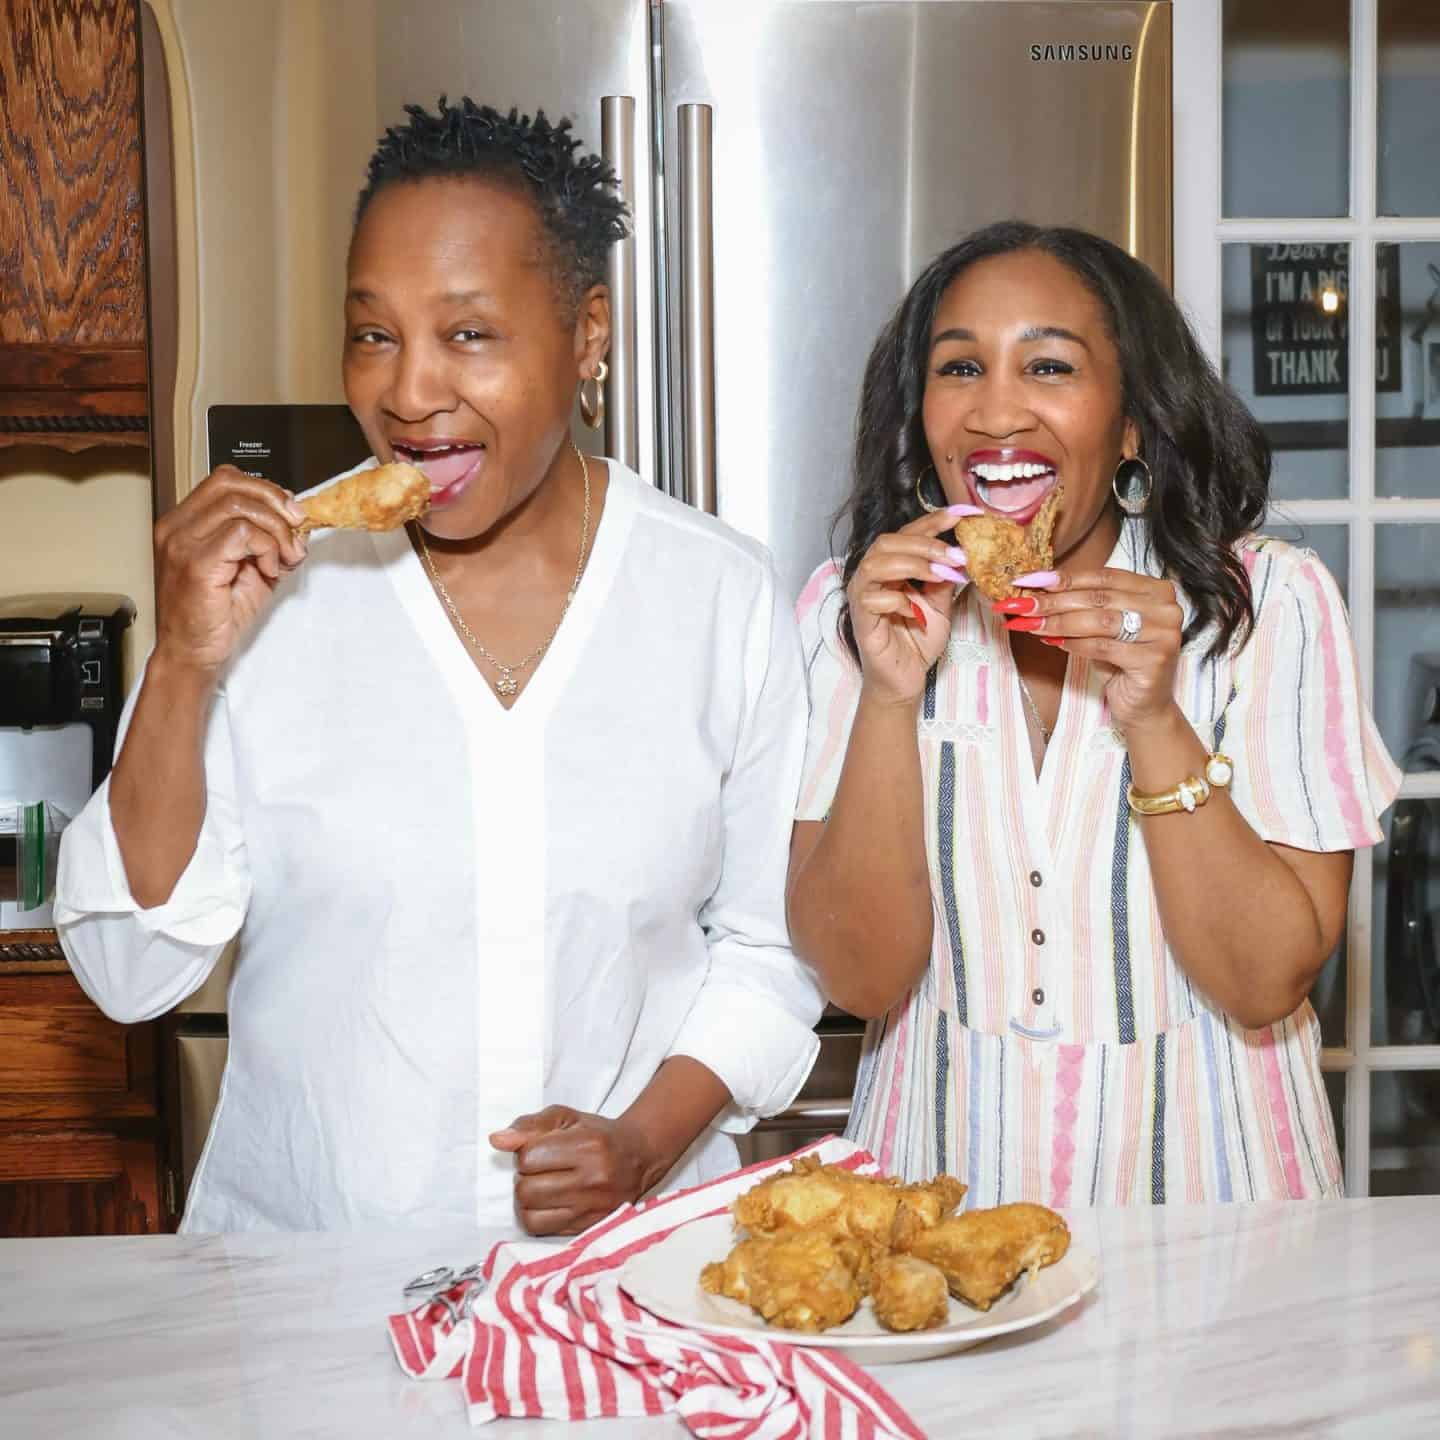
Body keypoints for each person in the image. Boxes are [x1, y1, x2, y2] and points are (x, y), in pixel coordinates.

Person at [56, 99, 822, 1233]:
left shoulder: (719, 598)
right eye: (374, 333)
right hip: (311, 1299)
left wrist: (642, 1145)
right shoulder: (264, 593)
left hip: (621, 1299)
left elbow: (768, 948)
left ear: (588, 333)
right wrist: (183, 666)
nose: (409, 395)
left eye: (468, 334)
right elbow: (129, 971)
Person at [787, 221, 1399, 1203]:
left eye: (1048, 366)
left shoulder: (1264, 604)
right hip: (936, 1201)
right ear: (921, 420)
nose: (996, 411)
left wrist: (1155, 716)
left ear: (1129, 425)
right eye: (958, 369)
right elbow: (859, 981)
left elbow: (1264, 980)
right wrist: (890, 698)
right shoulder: (850, 610)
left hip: (1216, 1203)